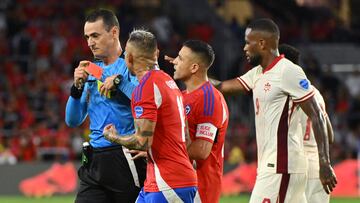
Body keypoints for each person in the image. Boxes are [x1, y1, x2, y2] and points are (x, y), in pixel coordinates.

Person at [211, 18, 337, 202]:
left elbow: (317, 115)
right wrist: (196, 77)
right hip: (272, 165)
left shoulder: (288, 71)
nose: (244, 48)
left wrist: (324, 162)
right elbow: (222, 87)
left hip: (282, 165)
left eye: (248, 42)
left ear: (262, 43)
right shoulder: (258, 73)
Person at [103, 29, 197, 203]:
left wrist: (114, 137)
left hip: (168, 183)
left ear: (129, 58)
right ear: (157, 54)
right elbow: (185, 138)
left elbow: (143, 141)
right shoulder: (169, 82)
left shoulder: (145, 88)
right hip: (165, 179)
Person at [65, 9, 146, 203]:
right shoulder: (91, 70)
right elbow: (72, 120)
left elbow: (146, 100)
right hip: (94, 159)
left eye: (95, 35)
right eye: (87, 37)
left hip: (125, 156)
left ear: (114, 32)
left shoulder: (133, 65)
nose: (90, 42)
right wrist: (76, 89)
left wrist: (119, 82)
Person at [170, 40, 229, 203]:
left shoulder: (210, 99)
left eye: (180, 58)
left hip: (200, 191)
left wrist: (162, 150)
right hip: (179, 184)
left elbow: (201, 150)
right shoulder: (181, 96)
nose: (174, 61)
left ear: (194, 67)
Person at [278, 44, 334, 203]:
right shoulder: (315, 93)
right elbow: (330, 136)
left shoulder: (288, 93)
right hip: (319, 164)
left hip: (298, 164)